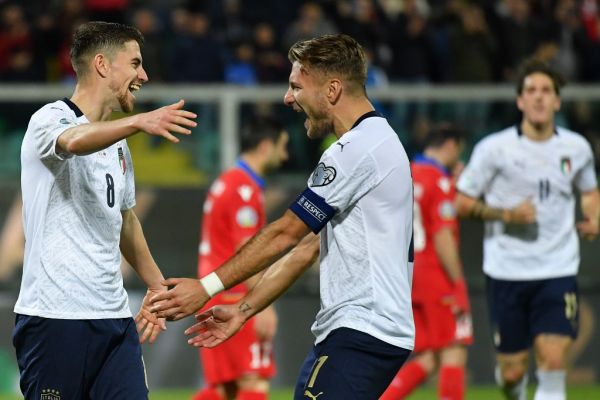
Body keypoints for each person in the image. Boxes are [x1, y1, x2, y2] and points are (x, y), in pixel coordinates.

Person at [150, 33, 415, 399]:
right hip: (356, 331)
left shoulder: (356, 150)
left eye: (296, 86)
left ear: (333, 89)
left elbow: (285, 233)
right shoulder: (376, 142)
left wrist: (207, 288)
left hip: (363, 330)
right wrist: (243, 310)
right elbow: (306, 247)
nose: (288, 98)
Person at [13, 21, 197, 399]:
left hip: (114, 321)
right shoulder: (49, 119)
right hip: (55, 319)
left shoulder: (118, 146)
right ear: (102, 64)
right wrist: (139, 122)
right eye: (135, 63)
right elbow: (74, 141)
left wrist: (157, 288)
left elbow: (126, 221)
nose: (143, 75)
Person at [455, 58, 599, 400]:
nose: (538, 98)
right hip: (506, 271)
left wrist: (593, 217)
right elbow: (461, 202)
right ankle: (513, 388)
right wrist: (506, 214)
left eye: (546, 91)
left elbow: (590, 190)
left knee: (552, 359)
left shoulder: (576, 148)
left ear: (557, 100)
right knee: (512, 372)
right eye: (531, 91)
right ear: (520, 101)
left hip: (558, 268)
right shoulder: (494, 149)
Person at [193, 116, 289, 400]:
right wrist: (262, 303)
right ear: (264, 146)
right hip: (235, 297)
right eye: (281, 147)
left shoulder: (227, 181)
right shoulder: (243, 188)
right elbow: (246, 252)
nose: (284, 156)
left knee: (226, 389)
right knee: (254, 382)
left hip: (215, 293)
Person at [381, 124, 472, 400]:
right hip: (436, 275)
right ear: (451, 145)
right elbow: (443, 235)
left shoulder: (404, 174)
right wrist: (457, 283)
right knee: (454, 349)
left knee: (428, 356)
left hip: (407, 275)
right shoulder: (439, 180)